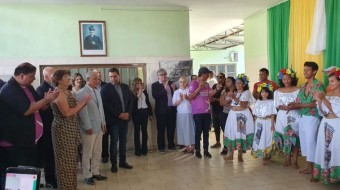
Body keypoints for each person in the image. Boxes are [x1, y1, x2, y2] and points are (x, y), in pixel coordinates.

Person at [0, 63, 59, 189]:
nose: (34, 79)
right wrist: (46, 100)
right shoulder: (9, 89)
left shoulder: (28, 87)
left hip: (30, 142)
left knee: (29, 174)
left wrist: (49, 99)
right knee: (18, 177)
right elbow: (27, 110)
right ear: (22, 75)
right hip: (16, 143)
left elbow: (40, 105)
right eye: (32, 76)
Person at [51, 69, 91, 189]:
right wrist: (82, 102)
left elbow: (74, 111)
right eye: (65, 77)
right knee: (65, 163)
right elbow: (67, 113)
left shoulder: (67, 92)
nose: (69, 79)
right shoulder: (58, 93)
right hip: (63, 129)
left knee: (72, 162)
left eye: (69, 77)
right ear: (58, 80)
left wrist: (83, 104)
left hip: (71, 128)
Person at [290, 61, 324, 175]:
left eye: (308, 70)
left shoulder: (318, 85)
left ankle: (314, 169)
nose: (305, 72)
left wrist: (299, 105)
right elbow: (298, 101)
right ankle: (310, 167)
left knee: (311, 141)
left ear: (314, 71)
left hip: (312, 116)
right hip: (302, 116)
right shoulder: (303, 86)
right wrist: (291, 104)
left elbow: (316, 103)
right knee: (305, 142)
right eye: (304, 70)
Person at [76, 71, 107, 185]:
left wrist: (103, 123)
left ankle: (95, 171)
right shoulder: (81, 92)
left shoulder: (97, 91)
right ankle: (87, 175)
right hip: (88, 128)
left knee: (97, 151)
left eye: (98, 79)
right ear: (88, 79)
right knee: (87, 153)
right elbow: (82, 112)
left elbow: (101, 109)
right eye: (95, 79)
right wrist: (87, 126)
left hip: (99, 126)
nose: (97, 81)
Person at [101, 68, 133, 173]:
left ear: (119, 76)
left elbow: (130, 102)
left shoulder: (125, 87)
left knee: (123, 142)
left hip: (125, 120)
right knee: (114, 142)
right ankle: (114, 164)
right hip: (113, 121)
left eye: (114, 76)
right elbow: (106, 105)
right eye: (110, 76)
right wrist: (119, 114)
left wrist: (127, 113)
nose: (113, 78)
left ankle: (122, 162)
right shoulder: (105, 88)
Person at [312, 67, 340, 184]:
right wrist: (319, 101)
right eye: (329, 81)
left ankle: (335, 176)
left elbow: (336, 111)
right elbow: (322, 111)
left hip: (336, 123)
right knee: (323, 147)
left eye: (333, 81)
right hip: (325, 122)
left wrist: (323, 99)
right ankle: (324, 174)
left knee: (335, 148)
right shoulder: (328, 93)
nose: (330, 84)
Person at [223, 73, 254, 162]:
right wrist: (229, 98)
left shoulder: (247, 92)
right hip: (232, 115)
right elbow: (227, 103)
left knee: (241, 133)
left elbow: (244, 104)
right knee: (232, 133)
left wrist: (234, 98)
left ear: (244, 84)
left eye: (240, 83)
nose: (237, 85)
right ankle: (231, 155)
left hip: (242, 116)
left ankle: (240, 155)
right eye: (236, 83)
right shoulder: (235, 92)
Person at [273, 68, 300, 169]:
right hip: (282, 116)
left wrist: (293, 106)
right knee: (285, 138)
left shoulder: (298, 90)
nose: (286, 81)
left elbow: (300, 103)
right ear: (281, 80)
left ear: (292, 79)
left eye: (288, 79)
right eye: (284, 79)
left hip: (294, 115)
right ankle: (287, 159)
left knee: (295, 137)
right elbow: (276, 105)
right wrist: (283, 107)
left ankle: (295, 161)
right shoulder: (277, 91)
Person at [36, 67, 58, 188]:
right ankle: (50, 180)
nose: (55, 76)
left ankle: (54, 176)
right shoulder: (41, 89)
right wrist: (48, 100)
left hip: (55, 126)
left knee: (53, 155)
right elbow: (40, 109)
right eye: (53, 74)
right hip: (46, 127)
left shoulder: (54, 88)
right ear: (46, 76)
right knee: (48, 155)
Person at [188, 67, 212, 159]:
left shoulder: (207, 84)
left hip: (207, 111)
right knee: (198, 132)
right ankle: (197, 150)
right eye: (207, 75)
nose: (208, 77)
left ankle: (206, 150)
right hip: (197, 112)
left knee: (206, 132)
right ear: (203, 74)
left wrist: (217, 90)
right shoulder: (194, 83)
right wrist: (199, 88)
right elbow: (190, 97)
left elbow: (210, 94)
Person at [151, 68, 177, 153]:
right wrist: (164, 89)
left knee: (171, 129)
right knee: (161, 130)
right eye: (161, 75)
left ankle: (171, 145)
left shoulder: (171, 83)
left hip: (171, 110)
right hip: (161, 112)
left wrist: (174, 89)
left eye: (165, 74)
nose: (164, 76)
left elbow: (176, 95)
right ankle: (161, 147)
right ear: (158, 76)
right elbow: (155, 96)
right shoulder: (154, 85)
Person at [251, 86, 277, 165]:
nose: (264, 94)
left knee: (268, 137)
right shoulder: (258, 102)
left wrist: (272, 124)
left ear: (269, 93)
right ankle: (263, 156)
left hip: (268, 121)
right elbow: (254, 114)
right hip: (259, 122)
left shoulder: (271, 102)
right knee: (261, 138)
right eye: (262, 92)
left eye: (266, 92)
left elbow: (273, 114)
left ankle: (268, 155)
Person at [172, 76, 195, 154]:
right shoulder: (176, 92)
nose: (182, 83)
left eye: (184, 81)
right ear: (179, 83)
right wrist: (181, 99)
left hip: (189, 113)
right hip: (181, 113)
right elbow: (174, 103)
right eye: (181, 82)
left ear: (187, 82)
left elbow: (194, 102)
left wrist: (187, 98)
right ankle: (187, 147)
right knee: (183, 130)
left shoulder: (190, 90)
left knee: (191, 130)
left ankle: (193, 147)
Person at [131, 77, 153, 156]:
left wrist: (150, 114)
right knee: (137, 132)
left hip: (144, 112)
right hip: (136, 113)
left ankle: (144, 149)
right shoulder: (132, 92)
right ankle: (137, 150)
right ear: (134, 85)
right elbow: (132, 104)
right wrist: (138, 94)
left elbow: (148, 103)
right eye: (138, 84)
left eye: (141, 83)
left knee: (144, 131)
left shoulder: (145, 92)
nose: (139, 85)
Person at [92, 69, 109, 163]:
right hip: (93, 117)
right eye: (95, 76)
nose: (98, 77)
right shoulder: (88, 87)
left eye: (99, 75)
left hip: (105, 114)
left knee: (104, 136)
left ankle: (105, 155)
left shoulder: (106, 86)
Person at [219, 77, 236, 155]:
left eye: (228, 81)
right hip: (225, 113)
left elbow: (237, 102)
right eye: (226, 81)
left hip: (234, 113)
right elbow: (221, 103)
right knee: (225, 131)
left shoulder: (236, 91)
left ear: (233, 82)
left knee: (234, 130)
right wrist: (228, 101)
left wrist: (231, 102)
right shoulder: (224, 91)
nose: (227, 83)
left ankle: (234, 146)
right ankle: (225, 147)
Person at [210, 73, 226, 149]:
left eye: (221, 77)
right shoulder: (214, 86)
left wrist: (216, 99)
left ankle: (226, 145)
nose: (219, 78)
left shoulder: (226, 87)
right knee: (216, 126)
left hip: (223, 109)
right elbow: (210, 95)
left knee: (224, 127)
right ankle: (218, 142)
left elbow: (226, 99)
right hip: (214, 108)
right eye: (218, 77)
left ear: (224, 78)